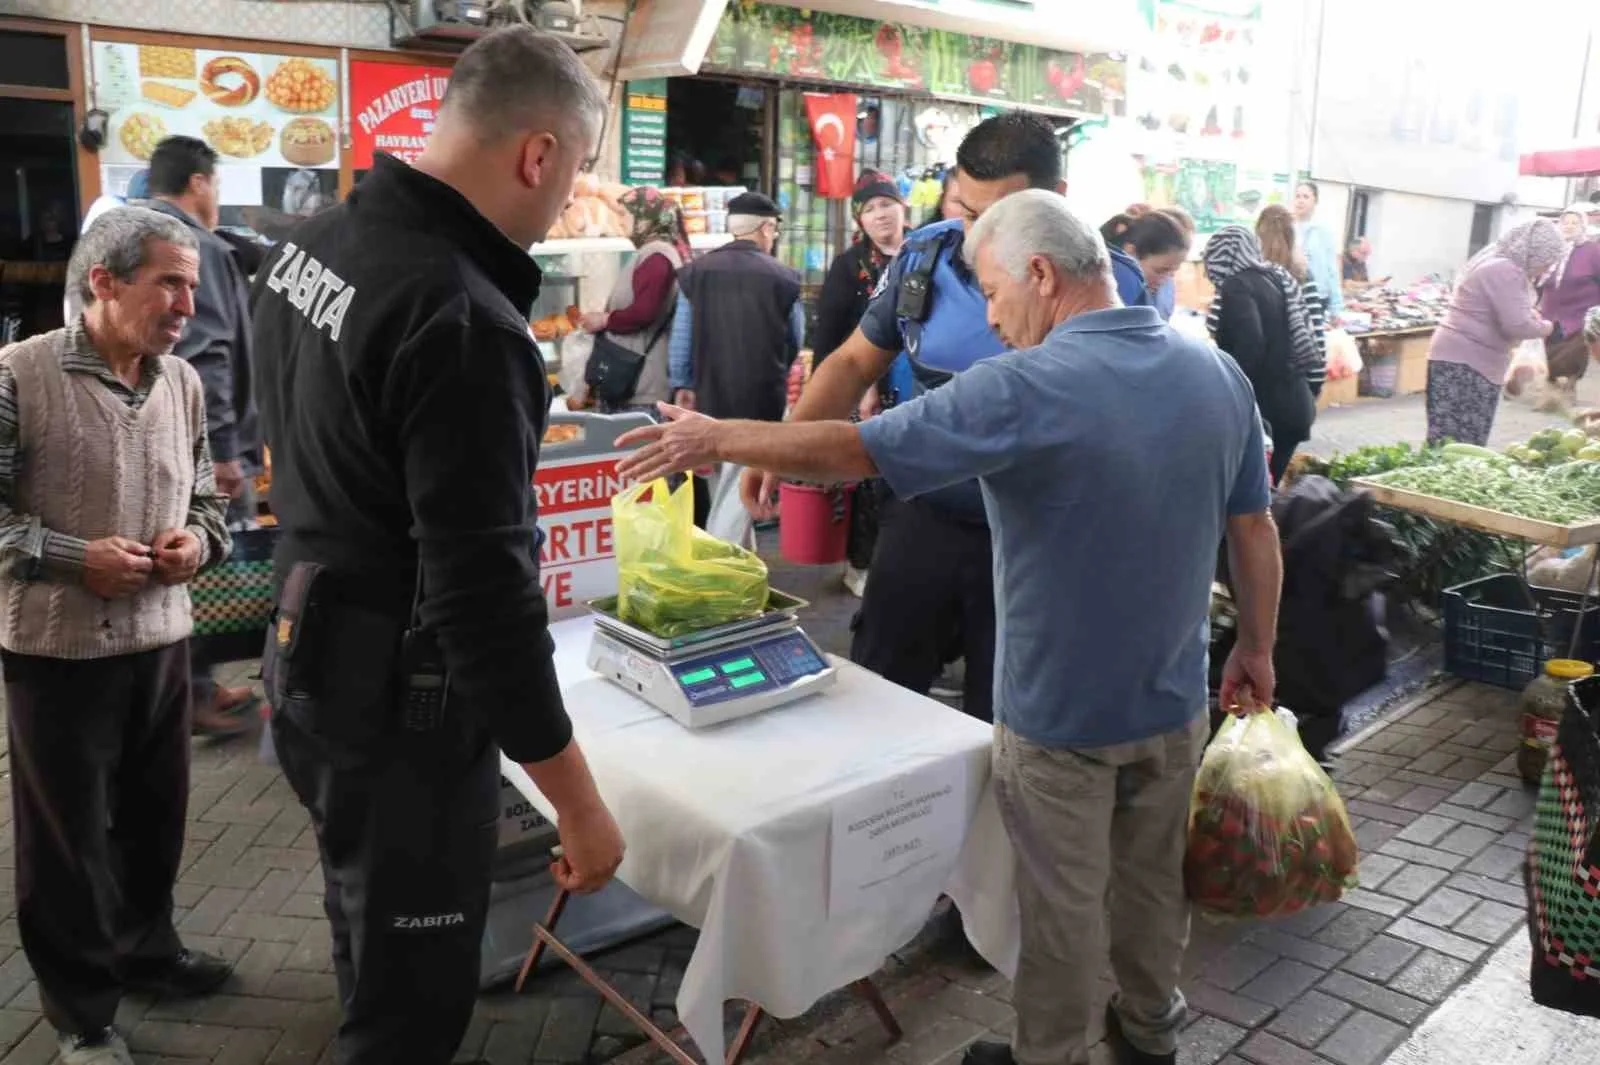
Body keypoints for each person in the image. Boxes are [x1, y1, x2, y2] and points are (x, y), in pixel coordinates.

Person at [614, 189, 1283, 1065]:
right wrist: (1258, 648)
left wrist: (721, 438)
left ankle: (1052, 1054)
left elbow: (860, 447)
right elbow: (1255, 529)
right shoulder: (1212, 371)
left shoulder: (1026, 385)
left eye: (996, 292)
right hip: (1172, 701)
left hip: (1060, 719)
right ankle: (1152, 1030)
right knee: (1155, 882)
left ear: (1042, 275)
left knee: (1059, 903)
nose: (994, 318)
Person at [248, 28, 624, 1064]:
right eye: (577, 172)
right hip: (398, 713)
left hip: (308, 656)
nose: (566, 202)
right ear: (537, 155)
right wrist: (578, 806)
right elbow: (481, 598)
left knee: (361, 921)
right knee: (411, 1009)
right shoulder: (461, 317)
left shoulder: (318, 242)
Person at [1, 207, 235, 1065]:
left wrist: (196, 542)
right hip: (56, 653)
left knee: (154, 818)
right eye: (168, 282)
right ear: (103, 280)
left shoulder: (182, 382)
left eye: (192, 287)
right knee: (65, 842)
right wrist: (69, 557)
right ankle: (82, 1012)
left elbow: (210, 499)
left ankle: (147, 948)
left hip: (162, 641)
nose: (186, 305)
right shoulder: (19, 375)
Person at [745, 112, 1064, 724]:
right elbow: (850, 364)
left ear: (1056, 201)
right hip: (927, 516)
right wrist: (779, 449)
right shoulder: (927, 258)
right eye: (969, 213)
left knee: (1006, 720)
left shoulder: (1104, 281)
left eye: (1003, 219)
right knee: (877, 691)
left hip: (1037, 543)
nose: (980, 239)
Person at [146, 135, 263, 738]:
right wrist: (221, 450)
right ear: (198, 182)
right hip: (201, 447)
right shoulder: (195, 247)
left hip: (162, 441)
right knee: (210, 568)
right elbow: (207, 350)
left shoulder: (138, 234)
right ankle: (190, 697)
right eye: (215, 184)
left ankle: (196, 687)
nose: (215, 198)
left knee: (191, 568)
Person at [668, 191, 802, 546]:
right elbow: (795, 338)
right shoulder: (784, 277)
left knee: (722, 482)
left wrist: (682, 381)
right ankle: (719, 564)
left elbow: (682, 334)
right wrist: (778, 367)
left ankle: (738, 559)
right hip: (762, 394)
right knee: (743, 483)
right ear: (766, 227)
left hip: (708, 390)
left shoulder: (696, 272)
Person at [813, 170, 911, 598]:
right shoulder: (849, 267)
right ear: (860, 222)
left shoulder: (925, 253)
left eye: (887, 204)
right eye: (870, 209)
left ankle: (903, 564)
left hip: (916, 385)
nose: (881, 215)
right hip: (865, 389)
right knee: (868, 480)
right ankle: (861, 564)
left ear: (903, 208)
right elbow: (829, 337)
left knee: (910, 480)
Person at [1426, 219, 1561, 445]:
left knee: (1454, 438)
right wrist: (1549, 328)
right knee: (1459, 440)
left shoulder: (1500, 265)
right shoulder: (1505, 270)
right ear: (1534, 252)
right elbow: (1516, 324)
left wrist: (1533, 319)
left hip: (1464, 359)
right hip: (1465, 362)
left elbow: (1508, 311)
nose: (1547, 268)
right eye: (1547, 261)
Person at [1204, 226, 1321, 485]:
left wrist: (1225, 389)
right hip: (1294, 407)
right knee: (1267, 494)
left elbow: (1250, 345)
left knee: (1251, 499)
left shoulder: (1237, 286)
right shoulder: (1276, 277)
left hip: (1265, 414)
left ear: (1221, 256)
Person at [578, 186, 690, 413]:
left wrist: (605, 320)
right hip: (633, 380)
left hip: (641, 384)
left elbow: (645, 311)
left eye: (625, 214)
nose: (620, 221)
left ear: (645, 217)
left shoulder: (657, 255)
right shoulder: (653, 252)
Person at [1539, 203, 1600, 392]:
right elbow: (1539, 279)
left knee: (1574, 355)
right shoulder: (1553, 250)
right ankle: (1551, 391)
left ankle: (1570, 388)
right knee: (1547, 354)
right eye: (1565, 222)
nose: (1569, 226)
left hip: (1580, 315)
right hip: (1549, 313)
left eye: (1575, 223)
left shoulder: (1594, 251)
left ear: (1583, 226)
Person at [1256, 203, 1329, 345]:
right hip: (1294, 360)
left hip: (1254, 362)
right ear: (1292, 237)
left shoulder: (1250, 275)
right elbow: (1316, 333)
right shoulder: (1302, 273)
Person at [1110, 212, 1190, 318]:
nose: (1165, 280)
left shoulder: (1162, 288)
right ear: (1130, 252)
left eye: (1172, 273)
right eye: (1160, 271)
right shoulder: (1114, 293)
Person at [1292, 181, 1343, 318]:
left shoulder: (1323, 230)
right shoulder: (1288, 228)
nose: (1300, 201)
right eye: (1297, 196)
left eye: (1305, 197)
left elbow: (1331, 268)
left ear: (1315, 201)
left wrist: (1336, 306)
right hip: (1293, 294)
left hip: (1318, 295)